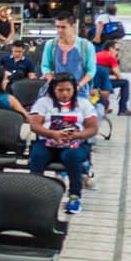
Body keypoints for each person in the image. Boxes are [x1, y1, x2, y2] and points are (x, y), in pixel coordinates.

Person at [27, 73, 98, 213]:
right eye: (60, 90)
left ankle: (74, 196)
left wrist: (77, 135)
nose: (65, 94)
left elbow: (92, 128)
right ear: (54, 89)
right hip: (48, 141)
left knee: (71, 156)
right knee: (37, 156)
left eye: (68, 90)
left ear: (74, 90)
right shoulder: (44, 102)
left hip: (75, 142)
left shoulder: (83, 103)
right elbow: (35, 125)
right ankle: (34, 195)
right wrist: (52, 134)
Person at [39, 14, 97, 97]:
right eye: (57, 27)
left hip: (80, 91)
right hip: (56, 90)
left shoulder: (85, 46)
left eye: (63, 27)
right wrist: (52, 81)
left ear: (72, 26)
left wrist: (79, 86)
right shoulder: (51, 45)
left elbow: (91, 70)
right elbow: (45, 66)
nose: (59, 30)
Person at [94, 39, 131, 115]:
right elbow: (119, 76)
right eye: (116, 49)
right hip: (103, 83)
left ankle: (104, 107)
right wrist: (115, 77)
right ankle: (123, 109)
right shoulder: (111, 57)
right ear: (110, 48)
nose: (117, 52)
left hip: (93, 82)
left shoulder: (95, 55)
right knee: (125, 83)